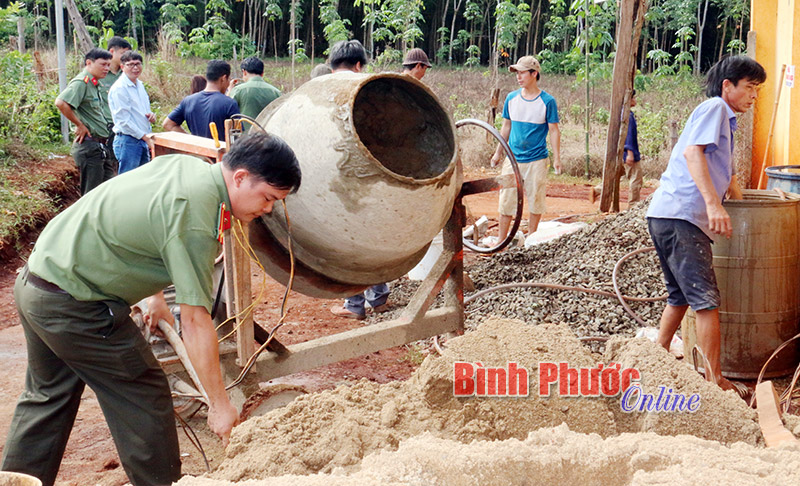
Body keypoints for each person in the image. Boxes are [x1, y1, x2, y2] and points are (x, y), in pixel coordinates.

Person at [1, 132, 302, 486]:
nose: (266, 209)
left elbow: (145, 224)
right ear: (240, 178)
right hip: (76, 305)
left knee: (48, 394)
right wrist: (220, 405)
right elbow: (193, 320)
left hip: (39, 282)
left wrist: (154, 296)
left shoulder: (190, 168)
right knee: (143, 393)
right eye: (267, 198)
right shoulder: (197, 211)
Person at [646, 55, 766, 394]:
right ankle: (715, 380)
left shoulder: (724, 119)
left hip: (666, 214)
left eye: (757, 90)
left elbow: (725, 172)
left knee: (680, 295)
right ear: (727, 86)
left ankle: (657, 354)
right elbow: (692, 154)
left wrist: (740, 204)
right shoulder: (714, 108)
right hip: (682, 216)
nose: (753, 96)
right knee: (706, 301)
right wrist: (714, 204)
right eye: (750, 88)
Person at [326, 40, 390, 320]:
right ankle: (378, 299)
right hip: (373, 178)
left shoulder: (321, 90)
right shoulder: (373, 89)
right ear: (359, 64)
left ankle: (354, 305)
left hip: (336, 181)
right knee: (372, 240)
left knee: (346, 246)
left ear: (332, 66)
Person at [490, 55, 561, 239]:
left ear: (534, 74)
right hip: (512, 159)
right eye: (517, 73)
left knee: (536, 199)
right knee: (506, 199)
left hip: (537, 159)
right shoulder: (511, 98)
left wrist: (557, 159)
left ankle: (532, 238)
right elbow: (506, 127)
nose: (518, 77)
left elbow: (554, 130)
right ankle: (501, 240)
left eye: (522, 73)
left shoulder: (547, 101)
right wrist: (498, 153)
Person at [55, 47, 116, 195]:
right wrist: (79, 125)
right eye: (103, 64)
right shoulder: (81, 83)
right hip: (89, 147)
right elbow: (61, 103)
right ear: (89, 63)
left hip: (100, 146)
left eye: (108, 64)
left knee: (107, 191)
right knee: (91, 195)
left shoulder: (94, 84)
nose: (107, 68)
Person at [163, 60, 240, 142]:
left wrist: (193, 141)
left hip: (197, 153)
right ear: (223, 78)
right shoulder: (229, 103)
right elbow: (237, 138)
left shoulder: (188, 101)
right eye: (228, 80)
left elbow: (167, 124)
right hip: (221, 154)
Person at [590, 90, 641, 207]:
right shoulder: (628, 116)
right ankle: (633, 205)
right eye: (634, 98)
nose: (635, 100)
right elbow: (628, 135)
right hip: (629, 153)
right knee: (635, 179)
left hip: (621, 152)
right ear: (629, 100)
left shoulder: (621, 114)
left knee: (616, 175)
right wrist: (630, 153)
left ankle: (598, 189)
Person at [108, 51, 156, 173]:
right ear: (122, 67)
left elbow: (143, 111)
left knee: (143, 179)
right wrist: (145, 137)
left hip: (142, 139)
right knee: (128, 182)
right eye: (130, 64)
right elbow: (123, 121)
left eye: (138, 64)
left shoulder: (140, 85)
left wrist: (150, 116)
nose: (135, 68)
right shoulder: (120, 88)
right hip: (128, 141)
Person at [229, 56, 281, 123]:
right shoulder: (276, 92)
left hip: (245, 133)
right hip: (268, 133)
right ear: (262, 73)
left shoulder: (238, 90)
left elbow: (228, 109)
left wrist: (230, 90)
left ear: (244, 72)